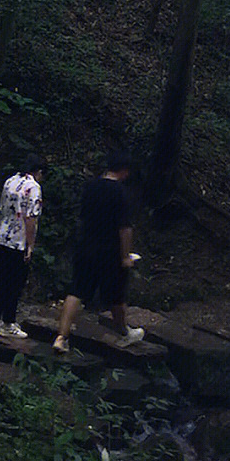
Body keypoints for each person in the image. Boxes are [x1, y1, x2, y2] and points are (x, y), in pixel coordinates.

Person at [53, 148, 144, 353]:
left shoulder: (90, 186)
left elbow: (83, 216)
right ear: (124, 170)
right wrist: (125, 256)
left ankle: (61, 337)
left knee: (77, 291)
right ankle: (124, 333)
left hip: (85, 246)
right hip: (109, 251)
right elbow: (125, 228)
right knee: (116, 296)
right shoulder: (120, 192)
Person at [0, 156, 44, 338]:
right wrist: (30, 245)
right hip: (18, 241)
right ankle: (8, 322)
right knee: (14, 283)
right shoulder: (33, 187)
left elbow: (2, 209)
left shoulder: (10, 181)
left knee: (0, 280)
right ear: (38, 171)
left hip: (2, 236)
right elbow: (31, 218)